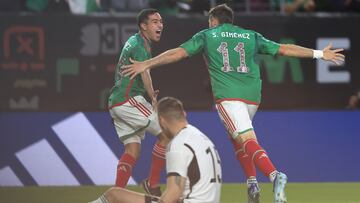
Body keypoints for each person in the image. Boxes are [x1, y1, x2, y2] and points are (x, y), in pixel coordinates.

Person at [122, 4, 345, 203]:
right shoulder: (251, 35)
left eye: (209, 21)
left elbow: (178, 53)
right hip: (252, 98)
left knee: (245, 138)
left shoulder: (207, 35)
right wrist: (319, 53)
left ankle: (274, 175)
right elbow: (284, 48)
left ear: (213, 21)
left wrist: (147, 63)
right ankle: (251, 182)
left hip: (229, 97)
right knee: (238, 137)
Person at [90, 97, 222, 203]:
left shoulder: (178, 145)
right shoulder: (200, 136)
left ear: (162, 121)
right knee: (116, 194)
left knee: (114, 195)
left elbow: (172, 195)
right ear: (184, 114)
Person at [107, 8, 169, 196]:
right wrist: (153, 98)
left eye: (161, 21)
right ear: (143, 25)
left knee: (132, 151)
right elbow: (145, 72)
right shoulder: (140, 46)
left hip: (116, 103)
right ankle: (153, 183)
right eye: (155, 21)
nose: (160, 25)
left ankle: (116, 195)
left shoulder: (135, 41)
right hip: (129, 100)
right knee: (166, 134)